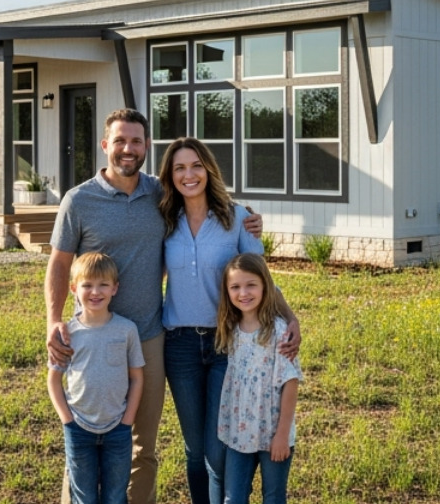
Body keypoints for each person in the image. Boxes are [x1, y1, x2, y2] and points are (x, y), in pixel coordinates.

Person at [45, 108, 275, 504]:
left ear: (147, 146)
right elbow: (59, 264)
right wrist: (53, 321)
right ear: (105, 146)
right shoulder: (78, 200)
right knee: (84, 435)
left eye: (136, 141)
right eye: (119, 140)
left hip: (151, 334)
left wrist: (246, 217)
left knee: (141, 442)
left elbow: (201, 194)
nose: (128, 149)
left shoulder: (160, 193)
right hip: (93, 336)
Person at [158, 137, 264, 504]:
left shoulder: (237, 218)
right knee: (194, 449)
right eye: (180, 168)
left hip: (225, 344)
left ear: (209, 169)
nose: (189, 175)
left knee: (218, 450)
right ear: (170, 176)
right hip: (179, 346)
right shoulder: (163, 220)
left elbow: (260, 278)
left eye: (196, 165)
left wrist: (289, 317)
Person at [48, 252, 145, 504]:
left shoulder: (127, 330)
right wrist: (67, 421)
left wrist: (127, 420)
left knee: (115, 496)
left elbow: (137, 377)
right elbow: (54, 381)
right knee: (85, 497)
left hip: (118, 429)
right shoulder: (67, 333)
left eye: (103, 284)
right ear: (73, 288)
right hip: (78, 428)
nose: (95, 291)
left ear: (115, 288)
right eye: (87, 285)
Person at [216, 253, 300, 504]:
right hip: (238, 434)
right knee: (234, 497)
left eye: (251, 284)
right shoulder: (230, 329)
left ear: (265, 285)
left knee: (273, 497)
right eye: (235, 287)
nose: (244, 293)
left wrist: (282, 434)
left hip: (273, 431)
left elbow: (290, 382)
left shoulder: (279, 331)